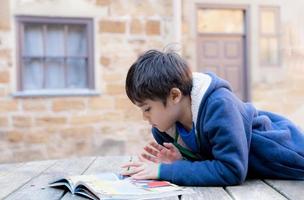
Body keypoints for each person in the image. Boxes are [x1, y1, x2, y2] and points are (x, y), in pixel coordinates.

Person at [121, 49, 304, 186]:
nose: (145, 117)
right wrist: (179, 162)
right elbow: (211, 160)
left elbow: (231, 170)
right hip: (254, 170)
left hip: (288, 156)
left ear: (175, 96)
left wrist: (165, 170)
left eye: (147, 109)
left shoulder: (219, 105)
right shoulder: (164, 129)